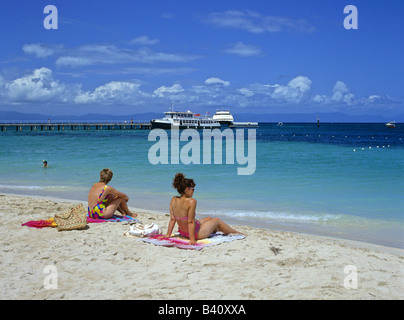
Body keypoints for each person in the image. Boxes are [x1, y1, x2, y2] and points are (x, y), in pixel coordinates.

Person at [162, 173, 245, 244]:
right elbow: (190, 222)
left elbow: (173, 219)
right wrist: (192, 240)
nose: (194, 191)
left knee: (209, 219)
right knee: (216, 220)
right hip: (195, 234)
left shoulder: (173, 199)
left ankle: (216, 229)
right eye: (193, 189)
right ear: (187, 189)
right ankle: (236, 232)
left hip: (183, 232)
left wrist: (168, 235)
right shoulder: (191, 201)